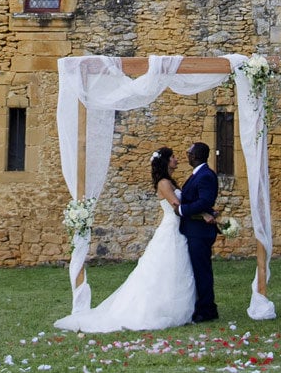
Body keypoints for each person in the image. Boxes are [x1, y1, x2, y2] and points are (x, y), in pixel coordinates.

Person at [53, 147, 196, 332]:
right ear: (166, 161)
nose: (177, 160)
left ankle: (174, 306)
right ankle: (157, 309)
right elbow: (177, 206)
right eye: (173, 157)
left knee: (174, 267)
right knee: (163, 268)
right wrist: (200, 211)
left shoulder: (170, 182)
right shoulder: (163, 184)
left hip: (176, 228)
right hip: (171, 228)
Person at [179, 142, 220, 323]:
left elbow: (204, 201)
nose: (187, 154)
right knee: (197, 270)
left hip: (200, 232)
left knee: (202, 270)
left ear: (195, 156)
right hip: (194, 229)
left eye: (189, 152)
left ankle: (207, 309)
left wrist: (182, 210)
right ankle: (202, 305)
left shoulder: (205, 176)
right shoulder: (198, 175)